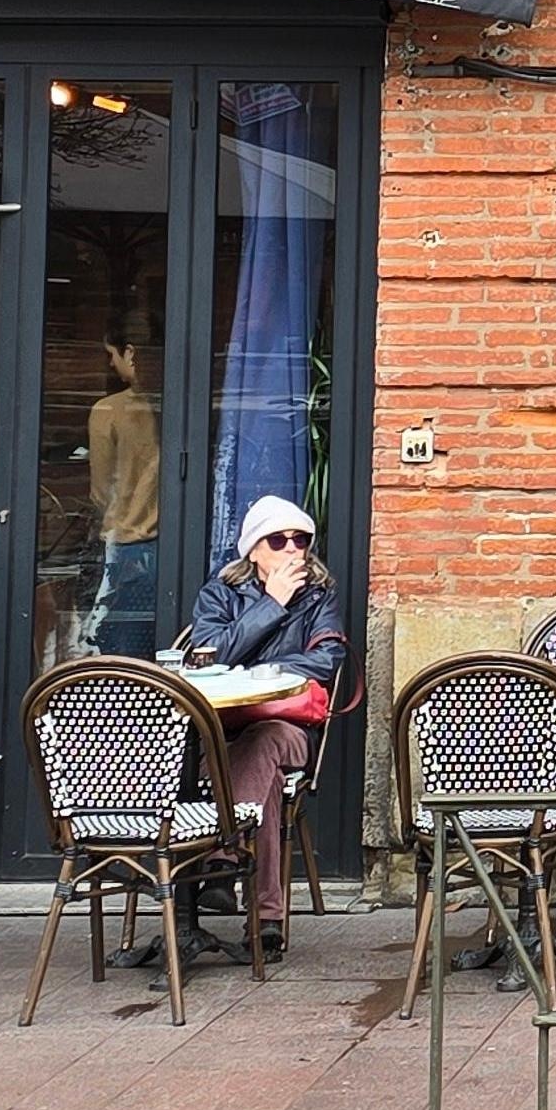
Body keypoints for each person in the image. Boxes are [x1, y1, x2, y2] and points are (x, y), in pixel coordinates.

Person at [184, 493, 343, 963]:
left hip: (290, 728)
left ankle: (223, 862)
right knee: (262, 768)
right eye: (279, 540)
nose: (293, 549)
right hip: (222, 730)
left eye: (302, 540)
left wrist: (258, 670)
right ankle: (267, 920)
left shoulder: (319, 597)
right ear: (254, 550)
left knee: (268, 738)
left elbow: (327, 661)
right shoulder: (219, 594)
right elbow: (208, 652)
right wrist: (271, 604)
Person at [86, 325, 163, 658]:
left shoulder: (108, 411)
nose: (109, 365)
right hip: (177, 549)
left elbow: (101, 490)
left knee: (121, 654)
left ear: (130, 353)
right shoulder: (177, 407)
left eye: (111, 355)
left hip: (127, 548)